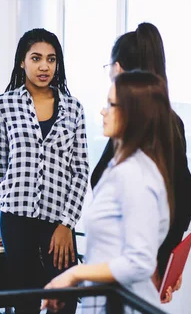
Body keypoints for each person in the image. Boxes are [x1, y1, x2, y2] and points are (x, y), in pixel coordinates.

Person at [43, 71, 174, 312]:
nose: (103, 111)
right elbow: (108, 253)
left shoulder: (135, 175)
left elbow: (139, 262)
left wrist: (74, 274)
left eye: (111, 105)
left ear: (134, 114)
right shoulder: (120, 167)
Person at [92, 22, 191, 301]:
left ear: (119, 70)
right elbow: (184, 197)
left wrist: (160, 262)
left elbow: (181, 197)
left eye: (109, 68)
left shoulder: (145, 129)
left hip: (127, 271)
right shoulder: (161, 122)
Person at [0, 28, 89, 314]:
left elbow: (81, 170)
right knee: (25, 302)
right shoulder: (4, 105)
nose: (44, 66)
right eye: (36, 58)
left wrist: (67, 223)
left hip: (57, 220)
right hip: (16, 219)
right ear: (22, 61)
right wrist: (3, 214)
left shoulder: (73, 109)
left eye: (51, 59)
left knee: (64, 301)